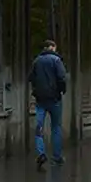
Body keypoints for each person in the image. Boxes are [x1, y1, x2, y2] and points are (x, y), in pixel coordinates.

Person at [29, 38, 68, 171]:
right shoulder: (56, 60)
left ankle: (41, 153)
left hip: (40, 100)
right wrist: (62, 90)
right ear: (52, 47)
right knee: (56, 127)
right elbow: (62, 77)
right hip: (55, 99)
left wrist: (36, 91)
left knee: (39, 127)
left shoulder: (36, 61)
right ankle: (56, 157)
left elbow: (31, 78)